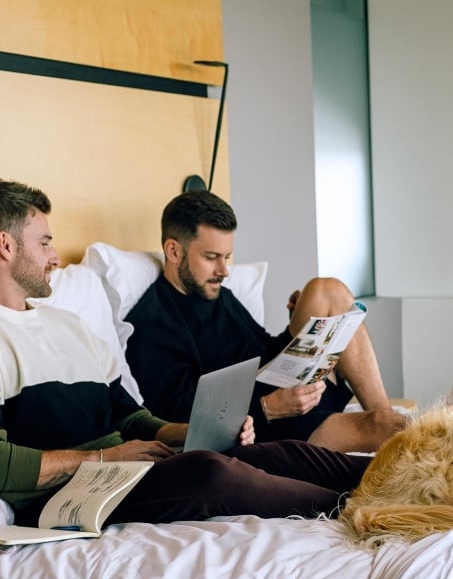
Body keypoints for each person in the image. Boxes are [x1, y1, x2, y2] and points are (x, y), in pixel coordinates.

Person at [0, 180, 371, 528]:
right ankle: (359, 508)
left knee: (275, 455)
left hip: (121, 468)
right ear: (6, 245)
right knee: (210, 473)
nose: (54, 258)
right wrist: (103, 459)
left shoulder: (70, 325)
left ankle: (397, 480)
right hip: (68, 496)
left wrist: (192, 433)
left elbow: (128, 417)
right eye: (45, 243)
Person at [125, 190, 406, 452]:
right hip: (267, 425)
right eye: (212, 258)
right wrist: (269, 407)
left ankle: (383, 409)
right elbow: (181, 422)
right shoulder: (153, 326)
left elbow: (259, 348)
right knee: (384, 427)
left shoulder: (216, 294)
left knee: (325, 290)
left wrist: (297, 325)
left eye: (227, 257)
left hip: (288, 388)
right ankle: (389, 422)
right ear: (173, 251)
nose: (224, 271)